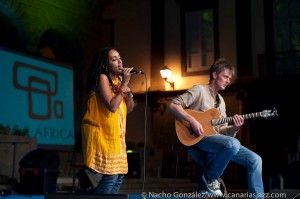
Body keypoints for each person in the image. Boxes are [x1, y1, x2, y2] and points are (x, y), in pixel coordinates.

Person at [168, 58, 264, 198]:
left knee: (256, 160)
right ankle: (211, 178)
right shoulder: (199, 90)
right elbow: (173, 105)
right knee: (233, 143)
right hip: (197, 139)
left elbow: (222, 131)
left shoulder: (221, 102)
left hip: (215, 139)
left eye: (229, 78)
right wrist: (193, 120)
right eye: (225, 76)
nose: (228, 81)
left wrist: (234, 128)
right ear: (214, 75)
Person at [81, 47, 135, 194]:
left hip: (116, 136)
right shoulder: (102, 77)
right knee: (111, 176)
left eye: (119, 58)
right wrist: (124, 85)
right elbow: (112, 106)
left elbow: (129, 109)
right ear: (105, 65)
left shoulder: (118, 82)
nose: (119, 61)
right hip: (102, 133)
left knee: (119, 175)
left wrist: (128, 92)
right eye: (114, 59)